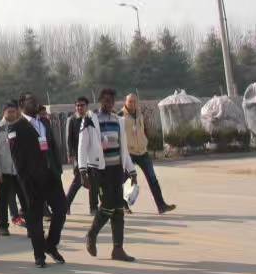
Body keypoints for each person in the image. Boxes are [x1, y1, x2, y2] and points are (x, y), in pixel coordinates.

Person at [8, 93, 67, 268]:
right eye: (30, 101)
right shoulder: (15, 128)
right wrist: (25, 180)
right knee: (35, 218)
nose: (35, 103)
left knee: (61, 210)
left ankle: (51, 244)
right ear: (22, 104)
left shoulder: (44, 123)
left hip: (51, 177)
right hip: (32, 180)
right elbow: (17, 158)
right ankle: (39, 255)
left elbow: (53, 147)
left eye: (35, 100)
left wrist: (57, 168)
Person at [80, 88, 138, 262]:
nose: (109, 103)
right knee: (107, 206)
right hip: (100, 170)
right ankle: (91, 234)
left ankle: (118, 249)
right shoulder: (91, 119)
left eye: (111, 101)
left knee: (119, 209)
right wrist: (83, 171)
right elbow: (82, 146)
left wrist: (132, 170)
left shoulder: (118, 120)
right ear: (100, 101)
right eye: (106, 100)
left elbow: (123, 148)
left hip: (117, 170)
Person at [120, 93, 176, 214]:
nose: (132, 104)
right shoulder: (120, 116)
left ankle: (161, 206)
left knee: (153, 179)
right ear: (126, 102)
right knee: (125, 180)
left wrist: (146, 141)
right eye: (130, 101)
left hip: (142, 152)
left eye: (134, 101)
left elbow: (144, 129)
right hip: (129, 153)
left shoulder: (140, 114)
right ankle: (124, 206)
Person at [0, 101, 29, 236]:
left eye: (14, 112)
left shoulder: (20, 127)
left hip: (19, 171)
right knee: (3, 199)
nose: (12, 114)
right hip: (4, 171)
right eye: (10, 112)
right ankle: (3, 226)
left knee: (24, 199)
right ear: (4, 112)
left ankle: (31, 226)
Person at [65, 97, 99, 215]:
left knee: (93, 182)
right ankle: (66, 205)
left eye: (82, 105)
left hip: (92, 156)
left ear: (87, 106)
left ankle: (93, 207)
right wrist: (71, 155)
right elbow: (69, 139)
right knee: (78, 181)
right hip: (79, 156)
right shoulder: (72, 120)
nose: (80, 107)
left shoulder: (91, 118)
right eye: (78, 105)